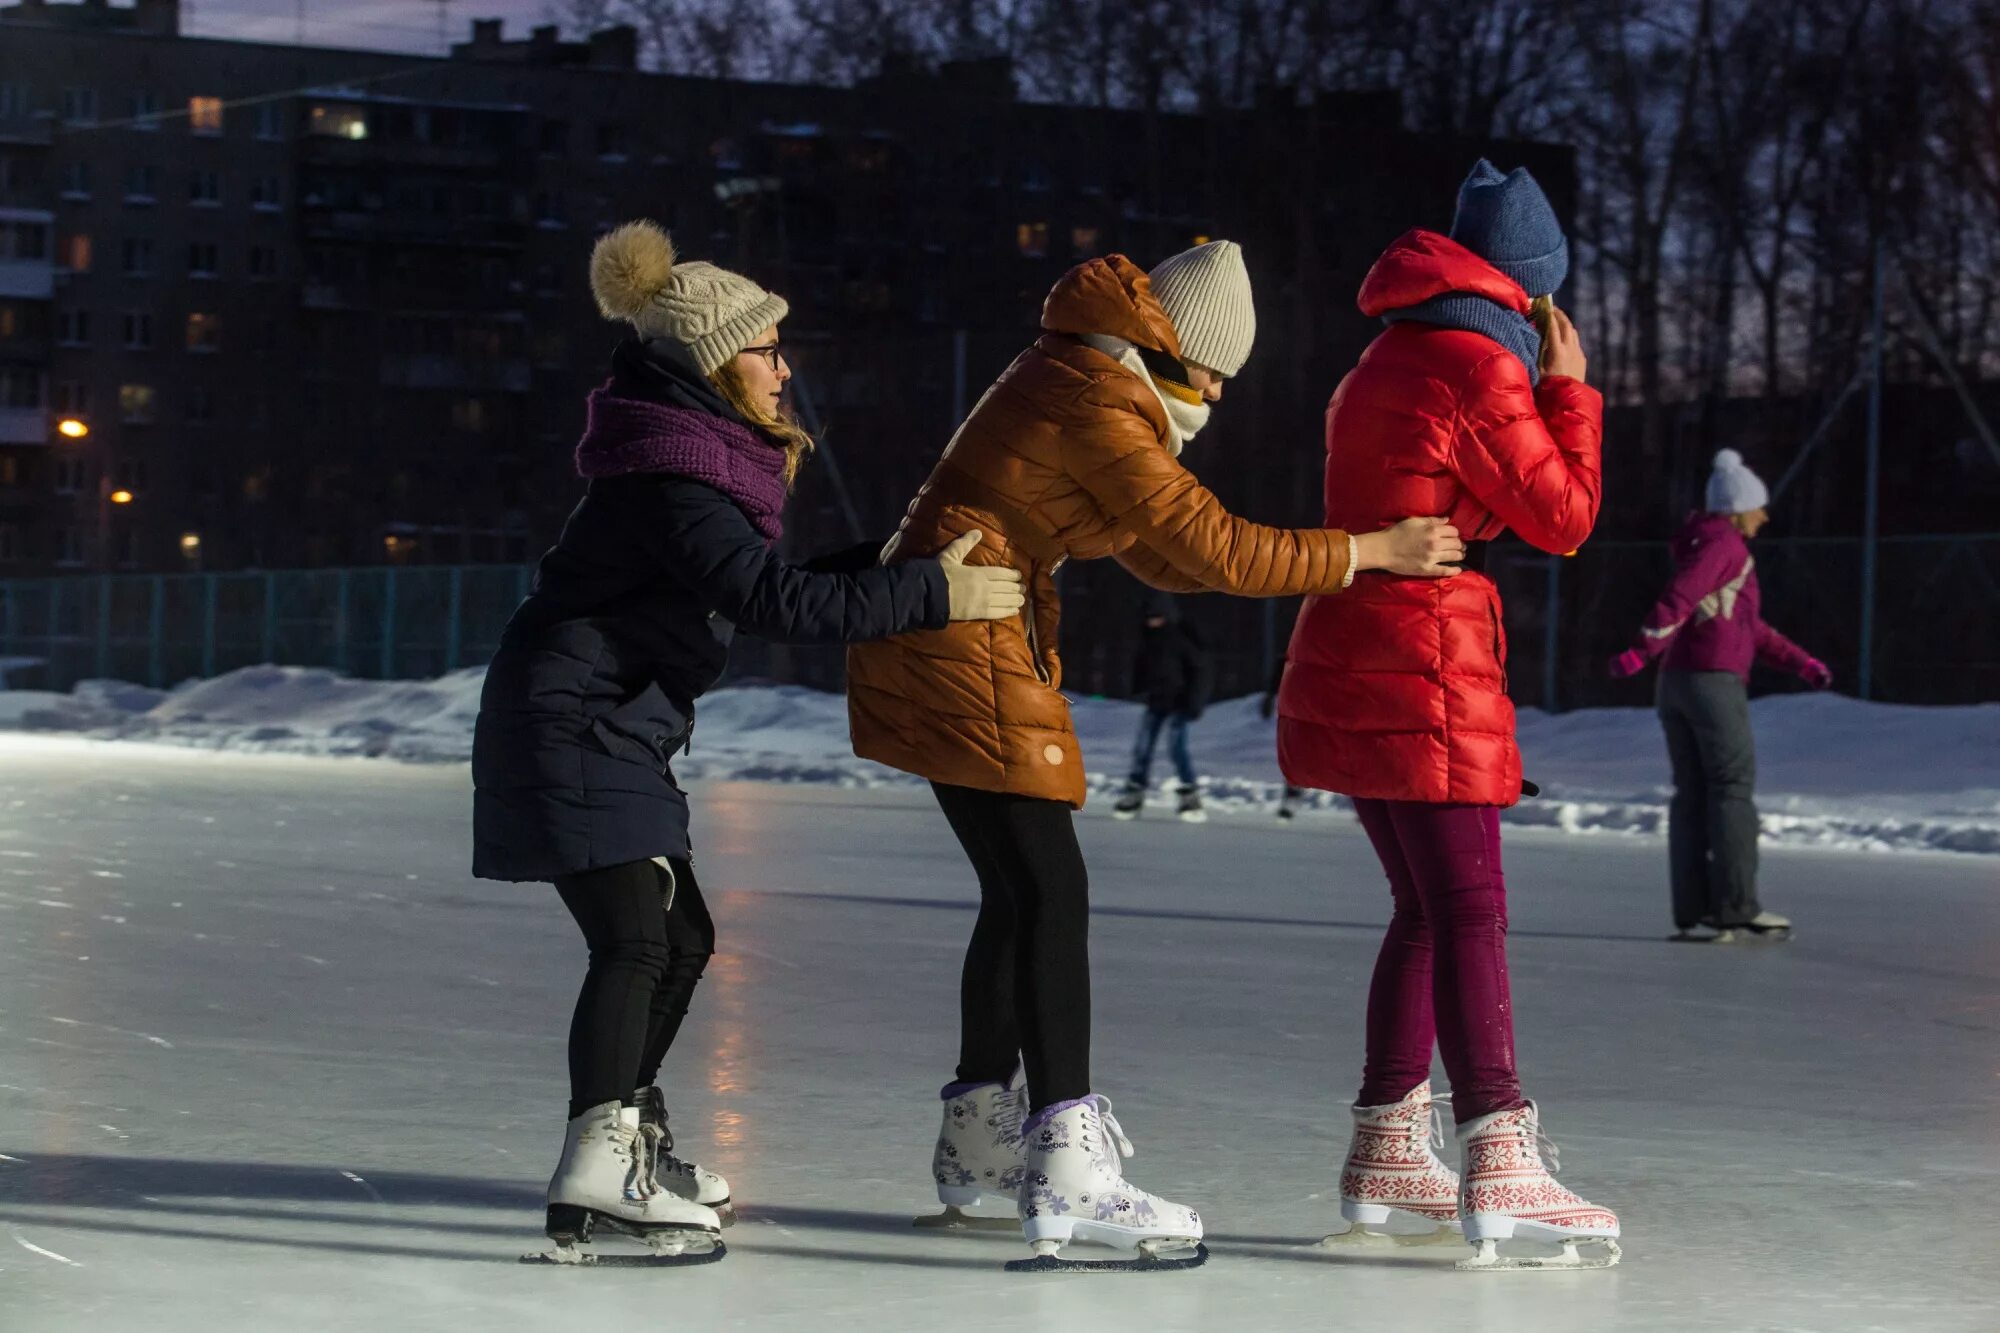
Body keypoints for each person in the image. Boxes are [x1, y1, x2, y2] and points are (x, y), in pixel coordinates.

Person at [848, 239, 1463, 1269]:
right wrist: (1369, 551)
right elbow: (1214, 545)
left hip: (955, 633)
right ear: (1165, 345)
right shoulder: (1096, 398)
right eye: (1212, 368)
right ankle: (1066, 1162)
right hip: (965, 638)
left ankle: (979, 1137)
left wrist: (1316, 556)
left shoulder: (1079, 375)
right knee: (1051, 893)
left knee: (1019, 892)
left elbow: (1169, 552)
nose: (1216, 392)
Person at [470, 221, 1022, 1264]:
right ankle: (596, 1165)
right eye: (768, 349)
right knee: (636, 939)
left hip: (607, 722)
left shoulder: (684, 457)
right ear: (716, 362)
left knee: (678, 938)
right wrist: (928, 593)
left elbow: (758, 578)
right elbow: (770, 601)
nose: (784, 368)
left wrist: (894, 565)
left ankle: (630, 1139)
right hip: (572, 721)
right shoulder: (672, 473)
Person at [1276, 161, 1621, 1270]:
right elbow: (1564, 515)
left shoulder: (1381, 357)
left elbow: (1461, 497)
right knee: (1470, 908)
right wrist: (1570, 393)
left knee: (1425, 910)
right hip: (1425, 660)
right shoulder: (1480, 366)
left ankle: (1388, 1145)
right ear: (1526, 285)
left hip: (1358, 652)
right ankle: (1498, 1151)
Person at [1609, 449, 1829, 943]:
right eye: (1759, 508)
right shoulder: (1725, 546)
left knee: (1692, 794)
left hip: (1678, 683)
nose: (1764, 517)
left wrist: (1801, 662)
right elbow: (1680, 596)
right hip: (1713, 684)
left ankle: (1695, 912)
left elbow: (1749, 627)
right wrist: (1642, 648)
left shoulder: (1705, 545)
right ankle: (1735, 907)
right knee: (1731, 790)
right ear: (1738, 508)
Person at [1112, 588, 1215, 823]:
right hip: (1157, 701)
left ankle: (1189, 793)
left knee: (1176, 748)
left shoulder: (1181, 638)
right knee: (1143, 747)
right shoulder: (1148, 638)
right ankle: (1134, 791)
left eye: (1156, 617)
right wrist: (1137, 687)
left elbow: (1201, 671)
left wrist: (1195, 703)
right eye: (1149, 617)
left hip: (1181, 703)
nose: (1152, 622)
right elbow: (1141, 665)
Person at [1258, 660, 1307, 819]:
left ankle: (1359, 801)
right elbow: (1286, 662)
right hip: (1299, 703)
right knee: (1296, 751)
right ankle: (1293, 791)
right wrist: (1270, 694)